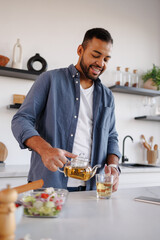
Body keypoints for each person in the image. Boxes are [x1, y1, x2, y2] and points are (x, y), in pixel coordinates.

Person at [11, 28, 121, 192]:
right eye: (96, 55)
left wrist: (113, 165)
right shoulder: (49, 80)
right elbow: (21, 120)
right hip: (50, 186)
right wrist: (45, 150)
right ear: (80, 50)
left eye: (106, 58)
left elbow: (111, 136)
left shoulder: (107, 96)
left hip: (92, 189)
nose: (101, 63)